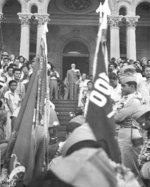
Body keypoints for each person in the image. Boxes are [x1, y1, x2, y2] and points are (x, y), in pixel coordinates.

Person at [114, 75, 145, 186]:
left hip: (130, 133)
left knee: (130, 167)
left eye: (123, 86)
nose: (121, 88)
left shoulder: (134, 100)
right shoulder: (127, 99)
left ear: (132, 86)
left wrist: (113, 113)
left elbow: (118, 118)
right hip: (128, 133)